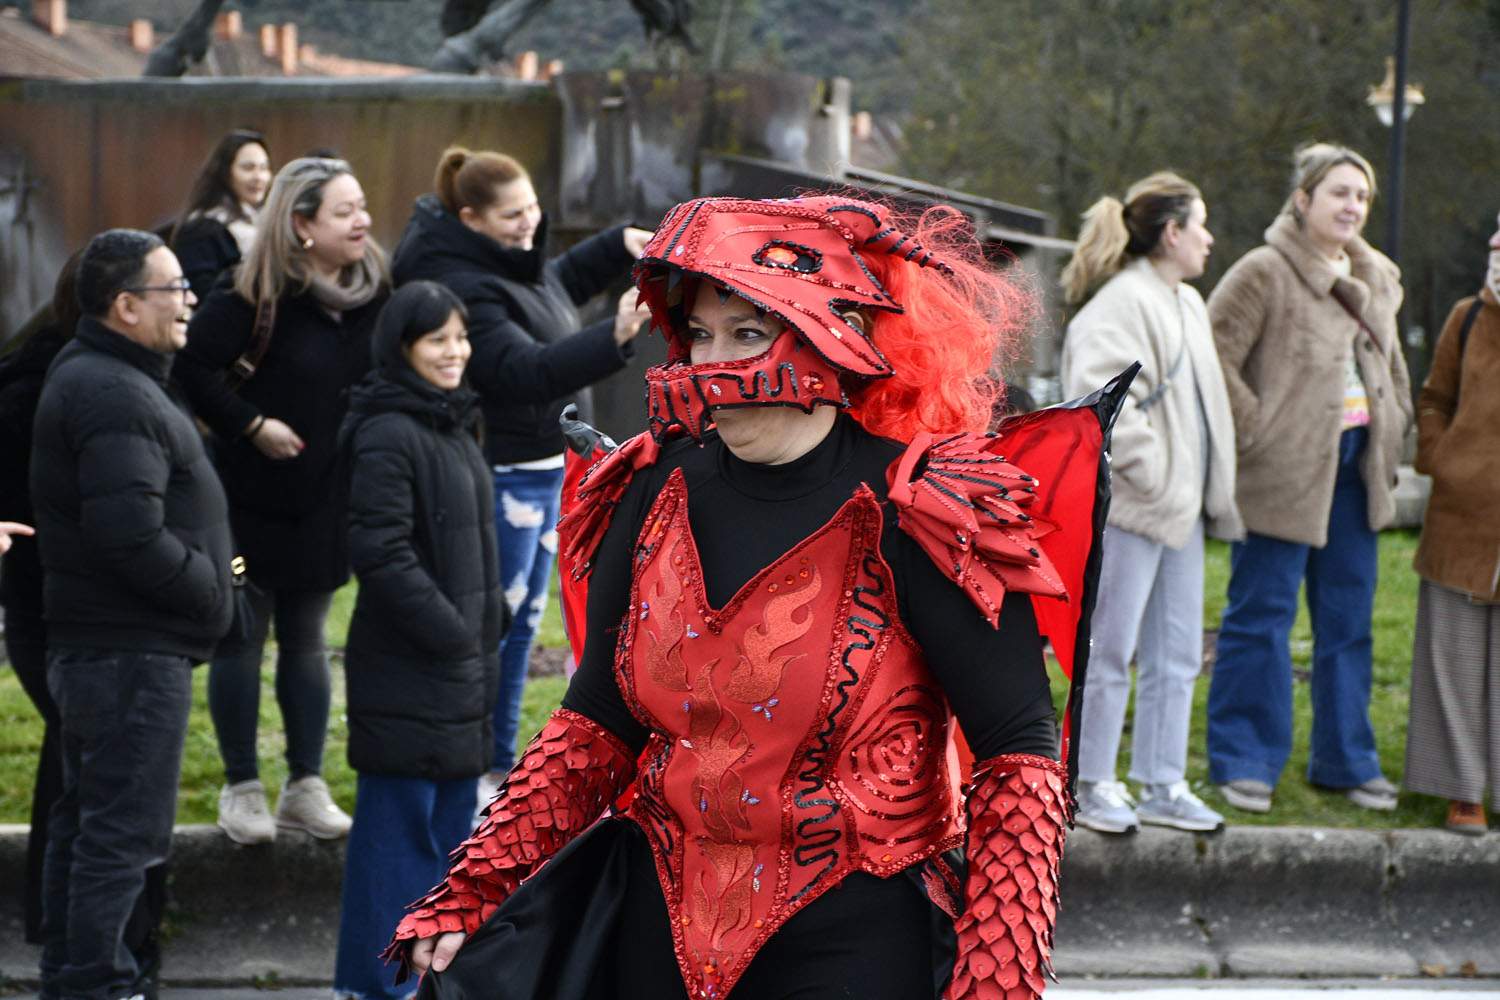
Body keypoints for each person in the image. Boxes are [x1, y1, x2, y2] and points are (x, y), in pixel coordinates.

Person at [384, 196, 1128, 1000]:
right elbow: (597, 719)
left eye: (746, 334)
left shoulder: (924, 508)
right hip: (657, 919)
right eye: (700, 335)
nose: (712, 365)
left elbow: (1018, 749)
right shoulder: (649, 485)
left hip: (855, 937)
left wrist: (997, 979)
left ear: (831, 337)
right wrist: (476, 885)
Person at [390, 146, 652, 799]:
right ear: (472, 217)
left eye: (534, 208)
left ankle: (499, 762)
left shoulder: (499, 262)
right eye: (513, 215)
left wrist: (618, 244)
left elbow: (552, 285)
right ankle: (484, 763)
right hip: (508, 477)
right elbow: (522, 371)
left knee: (524, 625)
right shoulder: (461, 283)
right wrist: (613, 339)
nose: (529, 223)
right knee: (502, 630)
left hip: (546, 471)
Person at [30, 229, 235, 1000]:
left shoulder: (117, 376)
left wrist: (224, 578)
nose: (189, 302)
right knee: (116, 837)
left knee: (91, 826)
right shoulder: (112, 389)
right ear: (125, 306)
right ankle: (96, 983)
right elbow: (129, 534)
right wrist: (214, 593)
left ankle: (80, 978)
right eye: (174, 288)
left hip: (118, 650)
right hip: (126, 655)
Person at [176, 157, 390, 844]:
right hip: (245, 508)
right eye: (344, 212)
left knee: (306, 639)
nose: (362, 221)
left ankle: (305, 785)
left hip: (327, 503)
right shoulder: (248, 299)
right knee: (242, 636)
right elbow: (190, 366)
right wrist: (250, 424)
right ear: (301, 225)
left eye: (362, 208)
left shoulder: (374, 295)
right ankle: (241, 788)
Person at [1206, 143, 1412, 814]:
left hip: (1358, 470)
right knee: (1260, 618)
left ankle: (1345, 761)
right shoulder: (1264, 271)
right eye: (1339, 193)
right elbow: (1214, 356)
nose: (1352, 206)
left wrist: (1399, 423)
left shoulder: (1378, 274)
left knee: (1348, 624)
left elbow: (1393, 366)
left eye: (1361, 196)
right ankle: (1245, 760)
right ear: (1303, 200)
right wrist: (1258, 430)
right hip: (1281, 472)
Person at [332, 281, 504, 998]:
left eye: (460, 338)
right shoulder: (386, 430)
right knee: (394, 843)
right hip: (413, 669)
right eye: (438, 340)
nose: (454, 352)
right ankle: (374, 988)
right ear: (402, 348)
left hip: (458, 671)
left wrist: (478, 635)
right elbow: (379, 550)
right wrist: (457, 633)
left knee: (440, 842)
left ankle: (416, 985)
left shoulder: (452, 424)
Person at [1059, 172, 1242, 834]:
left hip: (1178, 511)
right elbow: (1102, 398)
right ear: (1171, 234)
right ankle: (1091, 779)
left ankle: (1163, 782)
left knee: (1175, 651)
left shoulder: (1186, 301)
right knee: (1111, 648)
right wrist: (1156, 474)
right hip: (1136, 509)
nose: (1209, 238)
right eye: (1200, 225)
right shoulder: (1121, 303)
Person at [1403, 210, 1500, 836]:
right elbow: (1434, 397)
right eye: (1494, 242)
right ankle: (1461, 790)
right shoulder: (1467, 317)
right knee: (1454, 659)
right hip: (1460, 519)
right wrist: (1440, 457)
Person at [171, 129, 273, 301]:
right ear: (225, 172)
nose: (258, 177)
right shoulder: (201, 229)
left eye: (264, 168)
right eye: (248, 168)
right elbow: (203, 294)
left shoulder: (266, 222)